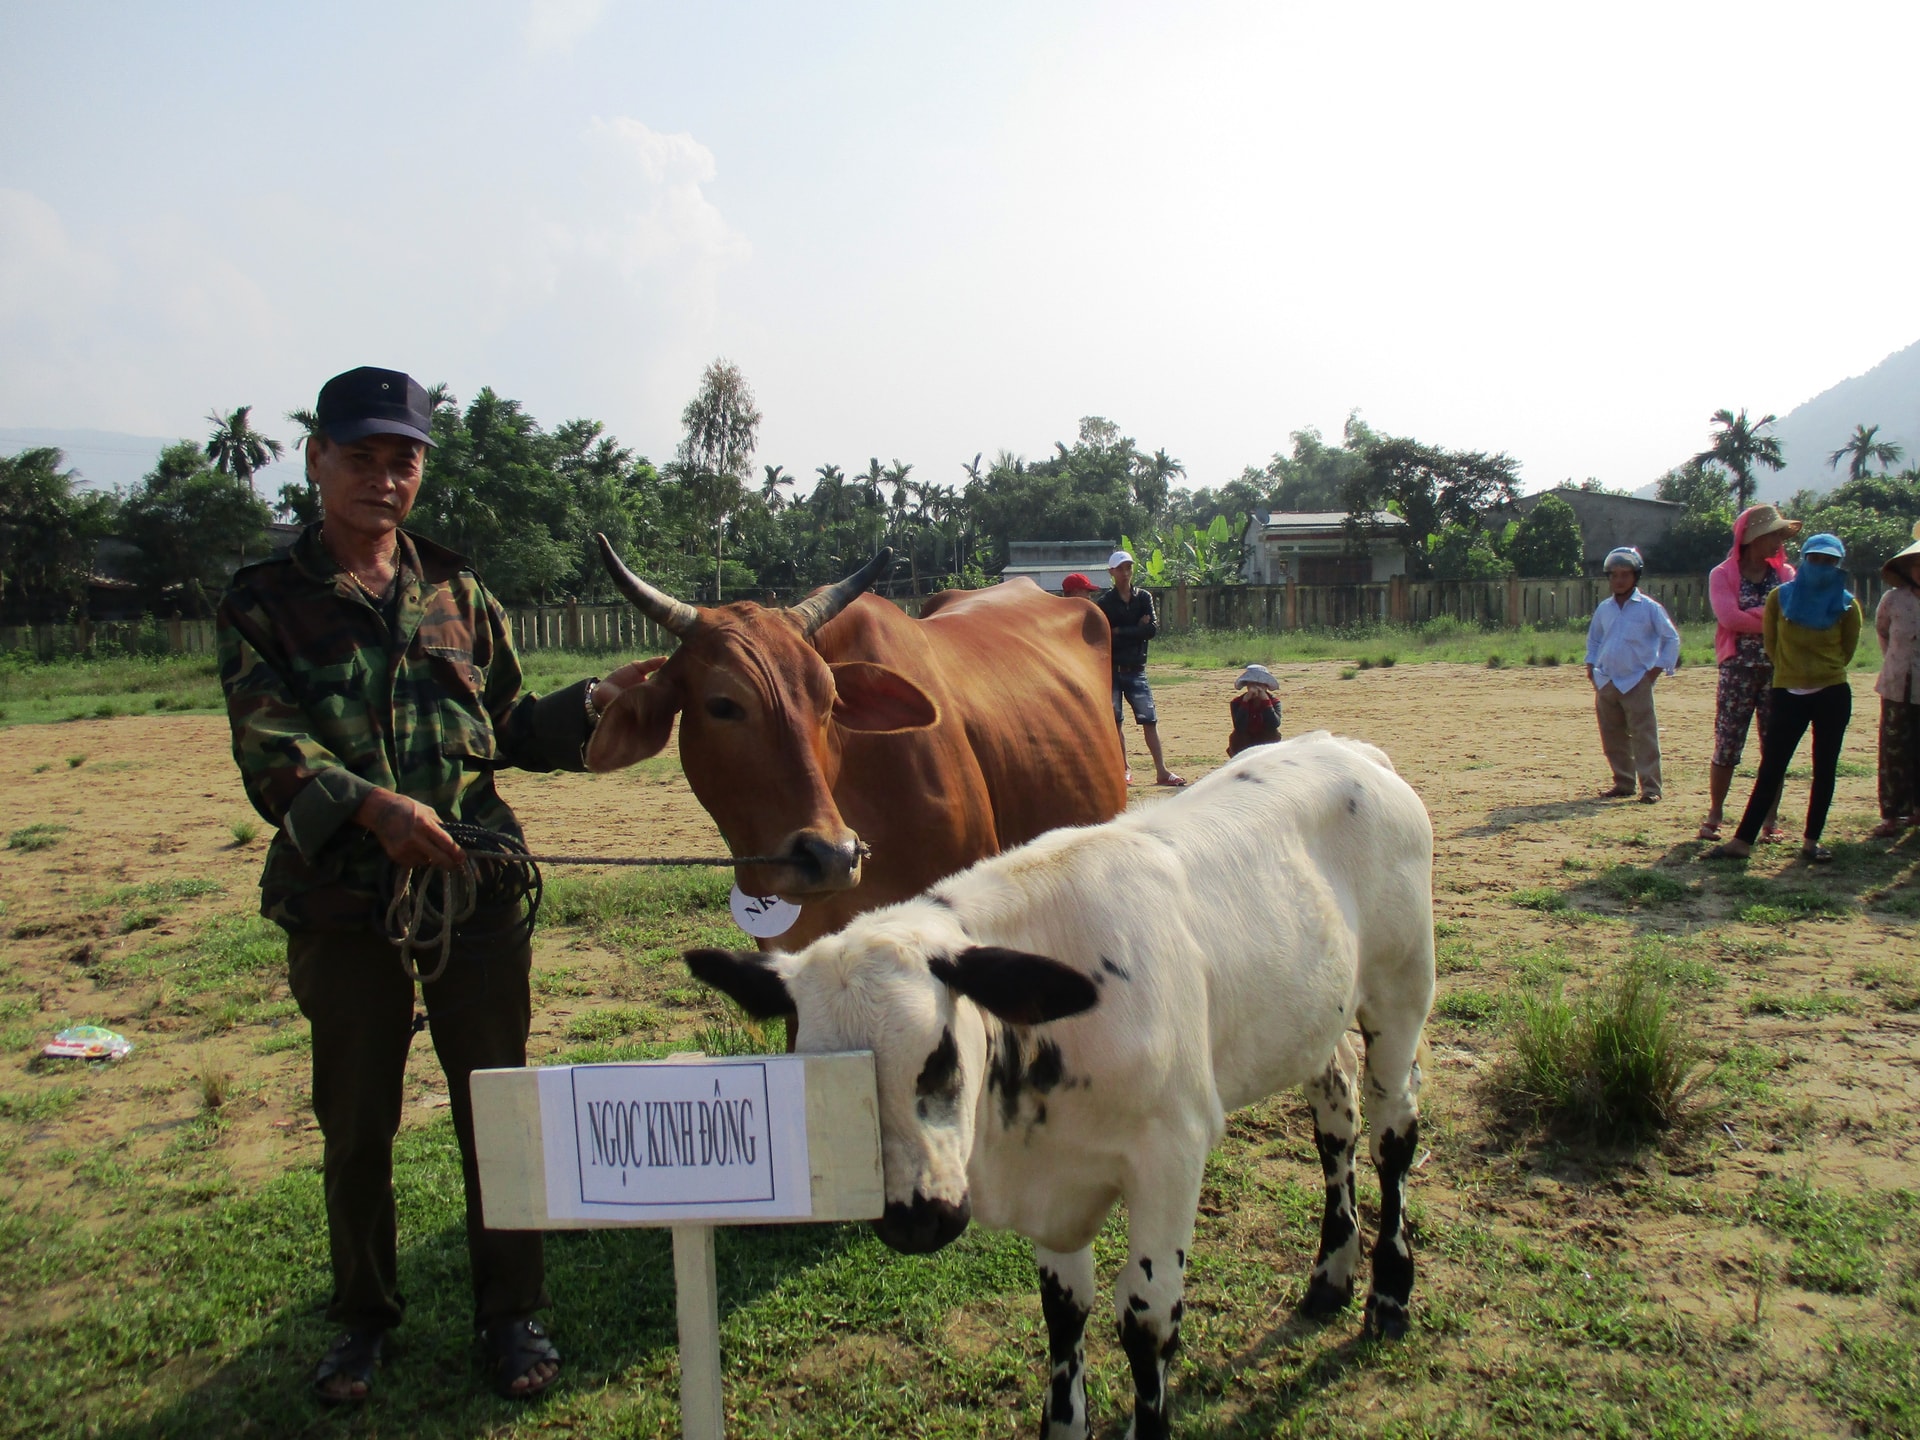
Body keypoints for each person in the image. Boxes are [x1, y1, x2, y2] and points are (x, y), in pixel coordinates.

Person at [218, 367, 655, 1405]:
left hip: (475, 893)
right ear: (317, 459)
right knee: (357, 1122)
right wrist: (375, 809)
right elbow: (267, 751)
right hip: (341, 904)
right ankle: (362, 1321)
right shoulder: (263, 601)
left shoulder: (460, 591)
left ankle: (512, 1316)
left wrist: (594, 705)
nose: (382, 476)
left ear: (420, 470)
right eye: (360, 455)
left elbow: (506, 728)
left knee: (495, 1107)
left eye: (401, 458)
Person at [1705, 532, 1863, 864]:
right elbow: (1773, 645)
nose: (1821, 566)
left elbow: (1846, 651)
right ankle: (1742, 841)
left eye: (1829, 561)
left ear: (1838, 565)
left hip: (1832, 692)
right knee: (1772, 767)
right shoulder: (1780, 598)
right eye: (1815, 559)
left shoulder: (1847, 605)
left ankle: (1810, 841)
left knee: (1825, 768)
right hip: (1788, 691)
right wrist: (1792, 674)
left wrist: (1820, 673)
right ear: (1804, 560)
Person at [1699, 504, 1800, 841]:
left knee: (1775, 746)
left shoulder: (1786, 574)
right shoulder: (1722, 574)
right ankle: (1715, 814)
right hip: (1736, 671)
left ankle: (1770, 821)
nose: (1777, 541)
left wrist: (1753, 615)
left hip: (1778, 670)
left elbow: (1791, 616)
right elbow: (1729, 619)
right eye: (1773, 534)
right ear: (1753, 538)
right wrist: (1770, 616)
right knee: (1727, 742)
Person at [1584, 546, 1680, 803]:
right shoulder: (1604, 608)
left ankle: (1651, 788)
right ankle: (1623, 782)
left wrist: (1656, 671)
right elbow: (1594, 640)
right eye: (1614, 575)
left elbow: (1670, 638)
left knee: (1643, 735)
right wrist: (1591, 668)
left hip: (1637, 680)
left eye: (1625, 574)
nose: (1619, 580)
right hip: (1607, 680)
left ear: (1636, 576)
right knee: (1612, 735)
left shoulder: (1649, 608)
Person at [1094, 549, 1184, 786]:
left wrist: (1120, 631)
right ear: (1111, 572)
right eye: (1121, 568)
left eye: (1128, 568)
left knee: (1149, 720)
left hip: (1135, 669)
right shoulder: (1104, 604)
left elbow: (1151, 630)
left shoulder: (1143, 597)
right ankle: (1124, 769)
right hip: (1113, 670)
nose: (1125, 573)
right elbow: (1106, 637)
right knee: (1116, 722)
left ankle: (1161, 770)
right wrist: (1136, 629)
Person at [1870, 521, 1920, 837]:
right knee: (1893, 747)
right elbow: (1882, 631)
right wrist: (1895, 661)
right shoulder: (1893, 599)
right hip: (1895, 682)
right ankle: (1891, 813)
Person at [1227, 663, 1283, 757]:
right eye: (1252, 684)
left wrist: (1266, 702)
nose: (1256, 687)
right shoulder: (1237, 702)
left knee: (1273, 734)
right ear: (1247, 685)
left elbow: (1274, 724)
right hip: (1244, 741)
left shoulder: (1274, 702)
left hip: (1265, 740)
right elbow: (1239, 726)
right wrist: (1245, 702)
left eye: (1260, 684)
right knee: (1237, 736)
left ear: (1266, 686)